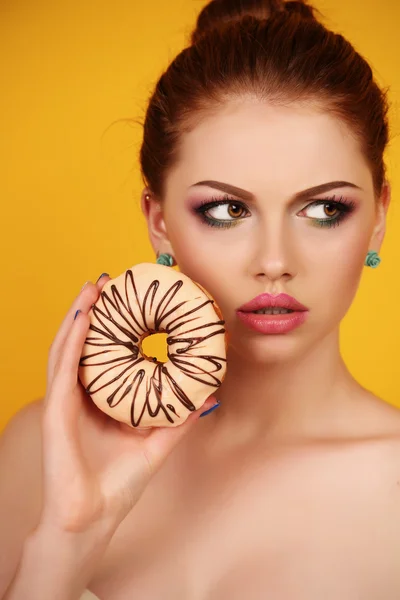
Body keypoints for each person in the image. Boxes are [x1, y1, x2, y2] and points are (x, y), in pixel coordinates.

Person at [1, 0, 400, 598]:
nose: (273, 260)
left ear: (377, 219)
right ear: (159, 222)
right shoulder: (40, 450)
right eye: (226, 211)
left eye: (323, 209)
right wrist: (64, 541)